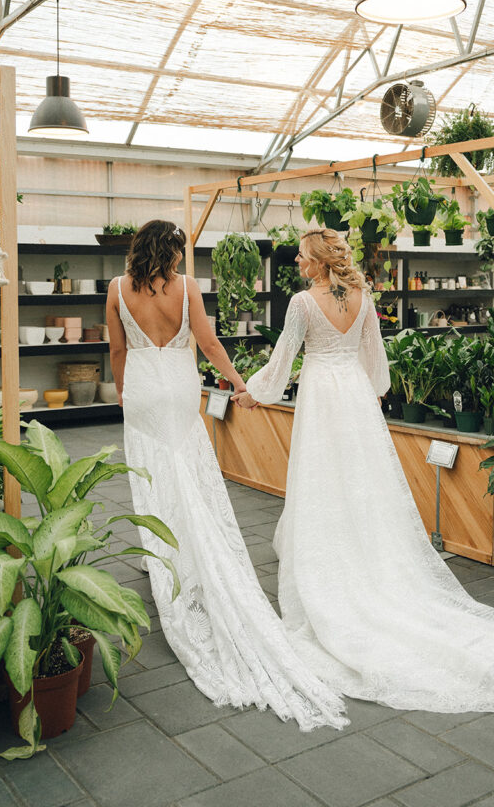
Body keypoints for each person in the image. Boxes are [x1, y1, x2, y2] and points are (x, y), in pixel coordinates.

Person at [235, 227, 494, 713]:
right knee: (362, 485)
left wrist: (255, 393)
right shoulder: (361, 294)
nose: (296, 261)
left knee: (322, 482)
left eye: (300, 255)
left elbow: (282, 362)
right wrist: (365, 391)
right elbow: (377, 366)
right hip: (354, 397)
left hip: (320, 396)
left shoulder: (300, 303)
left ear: (318, 260)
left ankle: (331, 566)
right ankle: (368, 561)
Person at [106, 219, 347, 731]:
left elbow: (118, 352)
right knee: (191, 474)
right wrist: (240, 384)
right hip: (178, 390)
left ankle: (167, 559)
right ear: (172, 253)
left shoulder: (116, 289)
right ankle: (200, 551)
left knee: (151, 480)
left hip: (143, 395)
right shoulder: (186, 288)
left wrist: (125, 393)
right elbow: (210, 345)